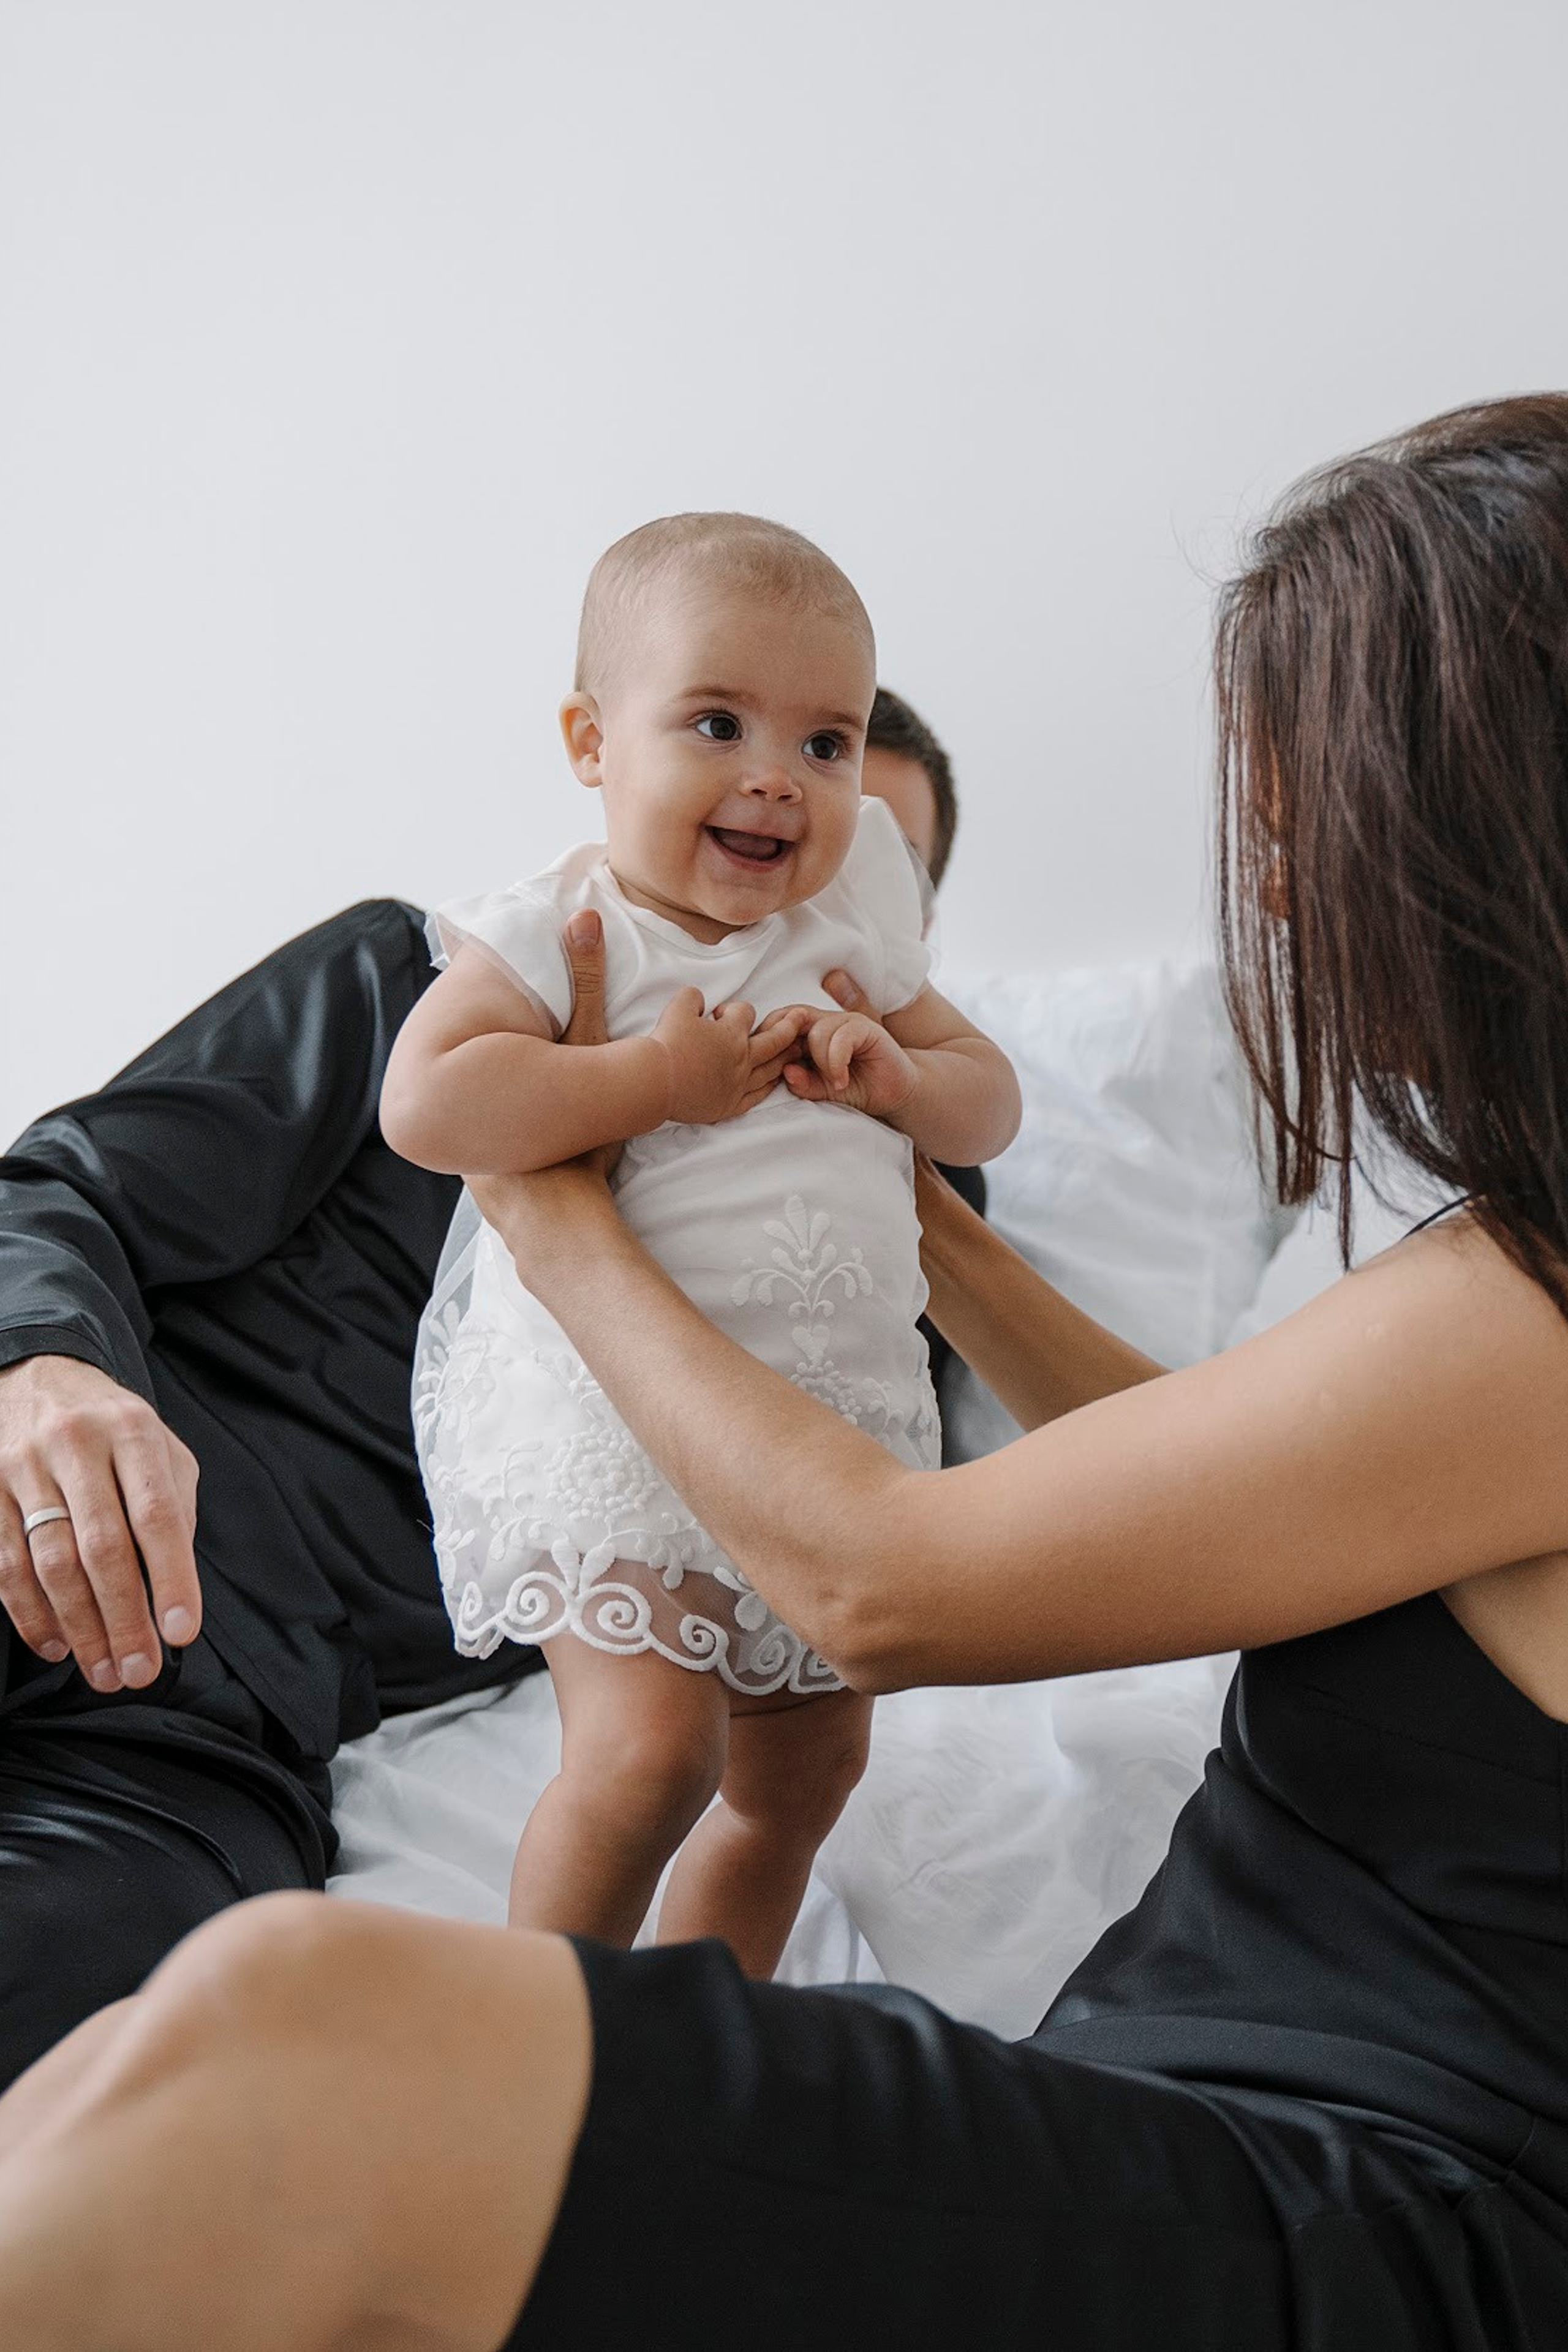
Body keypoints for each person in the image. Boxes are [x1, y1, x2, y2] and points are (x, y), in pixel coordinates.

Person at [6, 391, 1568, 2352]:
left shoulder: (1536, 1312)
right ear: (596, 752)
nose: (1270, 884)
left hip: (1362, 2213)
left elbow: (877, 1582)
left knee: (285, 2022)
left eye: (1296, 816)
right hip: (1198, 2110)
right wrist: (886, 1189)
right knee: (183, 2061)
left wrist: (573, 1216)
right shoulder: (465, 968)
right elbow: (1176, 1451)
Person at [0, 669, 978, 2095]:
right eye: (728, 786)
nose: (786, 884)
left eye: (863, 869)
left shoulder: (908, 1205)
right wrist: (40, 1368)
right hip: (75, 1491)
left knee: (103, 2000)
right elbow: (66, 1189)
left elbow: (853, 1524)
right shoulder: (408, 985)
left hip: (220, 1729)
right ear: (615, 779)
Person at [379, 511, 1019, 1966]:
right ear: (592, 743)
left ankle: (681, 2043)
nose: (774, 782)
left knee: (801, 1780)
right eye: (717, 723)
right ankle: (539, 2030)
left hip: (823, 1419)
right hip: (612, 1416)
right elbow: (427, 1105)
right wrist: (647, 1082)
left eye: (825, 744)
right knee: (648, 1758)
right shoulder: (561, 923)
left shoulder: (856, 916)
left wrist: (903, 1078)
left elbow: (989, 1105)